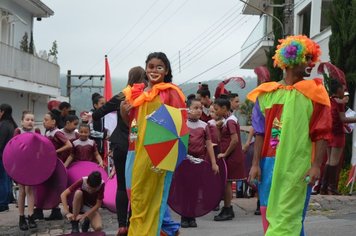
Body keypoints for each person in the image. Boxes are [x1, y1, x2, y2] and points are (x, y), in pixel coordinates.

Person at [247, 35, 332, 235]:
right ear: (291, 59)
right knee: (270, 216)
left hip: (298, 166)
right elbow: (259, 132)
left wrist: (316, 166)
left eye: (312, 58)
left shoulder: (315, 94)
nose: (311, 63)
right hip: (268, 166)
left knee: (289, 218)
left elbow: (321, 133)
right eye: (306, 58)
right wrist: (255, 164)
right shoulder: (266, 94)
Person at [122, 52, 186, 236]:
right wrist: (125, 112)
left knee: (154, 198)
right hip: (135, 150)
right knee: (136, 198)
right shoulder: (137, 93)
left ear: (166, 70)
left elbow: (178, 125)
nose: (154, 70)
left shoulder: (171, 92)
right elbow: (132, 125)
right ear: (146, 68)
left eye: (159, 67)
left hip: (158, 152)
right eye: (151, 66)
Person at [83, 66, 146, 236]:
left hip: (119, 143)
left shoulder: (122, 94)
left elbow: (103, 110)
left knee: (121, 185)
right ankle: (132, 221)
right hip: (137, 145)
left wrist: (92, 117)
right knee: (136, 186)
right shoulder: (147, 96)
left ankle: (121, 225)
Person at [180, 98, 219, 228]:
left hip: (199, 162)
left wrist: (213, 163)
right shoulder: (183, 124)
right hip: (184, 162)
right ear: (188, 109)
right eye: (195, 108)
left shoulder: (204, 125)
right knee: (185, 189)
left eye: (201, 108)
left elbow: (208, 144)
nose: (199, 111)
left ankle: (192, 216)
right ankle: (184, 216)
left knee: (195, 190)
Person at [33, 111, 72, 221]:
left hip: (55, 165)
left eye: (46, 120)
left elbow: (69, 145)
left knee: (51, 187)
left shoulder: (57, 133)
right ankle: (44, 210)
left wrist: (54, 152)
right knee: (46, 187)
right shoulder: (48, 133)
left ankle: (51, 211)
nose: (44, 122)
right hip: (48, 164)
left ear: (54, 121)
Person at [321, 79, 356, 195]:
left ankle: (324, 187)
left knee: (329, 160)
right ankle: (332, 187)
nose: (344, 91)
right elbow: (343, 119)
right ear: (339, 90)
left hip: (329, 133)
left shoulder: (329, 101)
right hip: (338, 134)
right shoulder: (339, 103)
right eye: (343, 89)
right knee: (334, 161)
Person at [213, 98, 245, 221]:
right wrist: (219, 128)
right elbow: (221, 138)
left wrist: (225, 154)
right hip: (228, 157)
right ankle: (227, 208)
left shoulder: (231, 121)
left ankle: (227, 208)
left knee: (227, 183)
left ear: (224, 109)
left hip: (231, 157)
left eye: (217, 109)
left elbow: (235, 140)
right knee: (226, 182)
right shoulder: (226, 120)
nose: (215, 112)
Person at [13, 111, 41, 230]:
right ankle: (21, 217)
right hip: (20, 164)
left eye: (32, 120)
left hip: (32, 164)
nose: (30, 122)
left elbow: (41, 146)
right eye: (27, 119)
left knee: (30, 189)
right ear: (22, 121)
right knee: (22, 189)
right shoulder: (18, 131)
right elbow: (13, 147)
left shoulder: (37, 131)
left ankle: (31, 216)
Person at [0, 104, 17, 212]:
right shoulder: (12, 125)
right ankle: (7, 199)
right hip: (10, 156)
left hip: (2, 156)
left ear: (2, 112)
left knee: (2, 179)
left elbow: (0, 142)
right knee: (7, 179)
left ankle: (2, 203)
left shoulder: (3, 125)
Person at [90, 93, 108, 167]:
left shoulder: (107, 116)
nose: (104, 105)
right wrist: (103, 135)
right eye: (102, 103)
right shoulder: (90, 116)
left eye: (105, 103)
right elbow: (90, 132)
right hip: (94, 147)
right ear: (95, 105)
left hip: (104, 148)